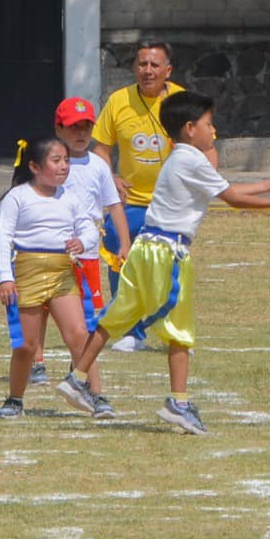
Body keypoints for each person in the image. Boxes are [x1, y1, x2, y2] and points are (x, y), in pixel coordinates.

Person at [56, 90, 270, 434]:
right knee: (180, 332)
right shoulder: (191, 158)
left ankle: (77, 377)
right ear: (190, 128)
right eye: (208, 124)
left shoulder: (181, 157)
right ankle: (178, 402)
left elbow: (225, 189)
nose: (214, 130)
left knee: (115, 316)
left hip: (146, 248)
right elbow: (232, 198)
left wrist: (268, 184)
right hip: (167, 254)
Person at [0, 137, 109, 419]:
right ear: (34, 166)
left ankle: (97, 395)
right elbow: (2, 238)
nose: (64, 167)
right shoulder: (17, 197)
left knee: (80, 335)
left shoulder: (70, 198)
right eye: (56, 161)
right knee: (26, 345)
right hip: (27, 271)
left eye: (66, 160)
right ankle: (15, 399)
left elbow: (90, 228)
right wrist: (4, 278)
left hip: (63, 273)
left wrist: (83, 241)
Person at [25, 97, 131, 386]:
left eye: (86, 127)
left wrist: (124, 242)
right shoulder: (50, 162)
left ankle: (78, 365)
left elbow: (114, 205)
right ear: (59, 129)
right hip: (51, 250)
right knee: (43, 308)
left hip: (87, 253)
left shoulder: (98, 166)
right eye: (73, 127)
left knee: (84, 314)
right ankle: (38, 361)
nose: (81, 133)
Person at [91, 40, 185, 352]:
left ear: (167, 70)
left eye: (154, 65)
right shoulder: (119, 101)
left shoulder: (183, 101)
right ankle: (131, 332)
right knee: (122, 262)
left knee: (169, 270)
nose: (147, 71)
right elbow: (101, 148)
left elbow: (204, 146)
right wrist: (111, 178)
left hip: (169, 205)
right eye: (142, 64)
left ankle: (173, 333)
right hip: (128, 204)